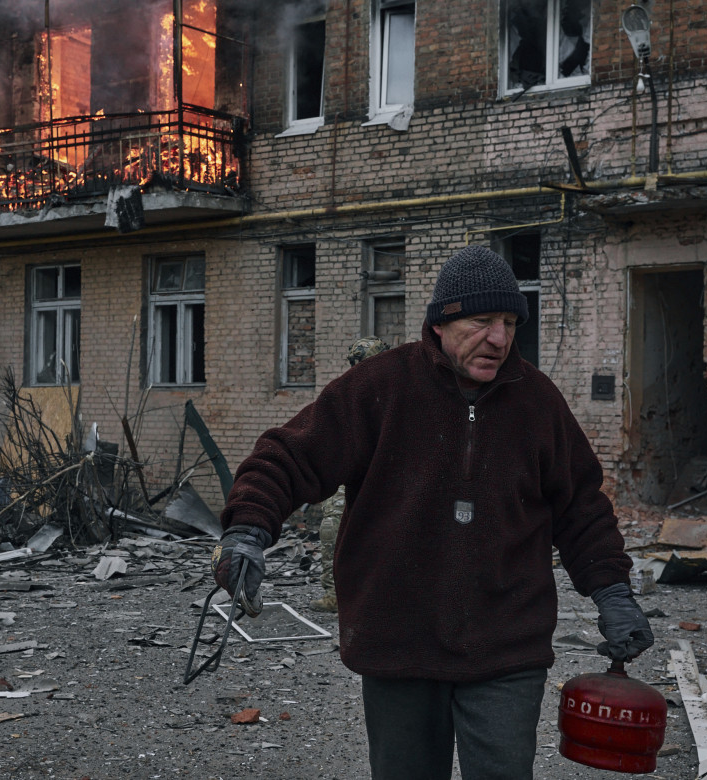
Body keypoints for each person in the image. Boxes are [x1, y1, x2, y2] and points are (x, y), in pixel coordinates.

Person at [210, 245, 654, 780]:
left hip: (506, 649)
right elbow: (287, 456)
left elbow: (581, 507)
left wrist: (612, 593)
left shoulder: (537, 403)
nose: (500, 338)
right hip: (398, 644)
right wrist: (248, 530)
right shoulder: (378, 389)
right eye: (482, 320)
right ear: (440, 322)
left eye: (511, 322)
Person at [310, 336, 390, 614]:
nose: (360, 370)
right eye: (356, 364)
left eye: (366, 363)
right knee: (332, 527)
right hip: (350, 474)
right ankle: (334, 594)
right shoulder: (343, 393)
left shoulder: (399, 394)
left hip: (387, 476)